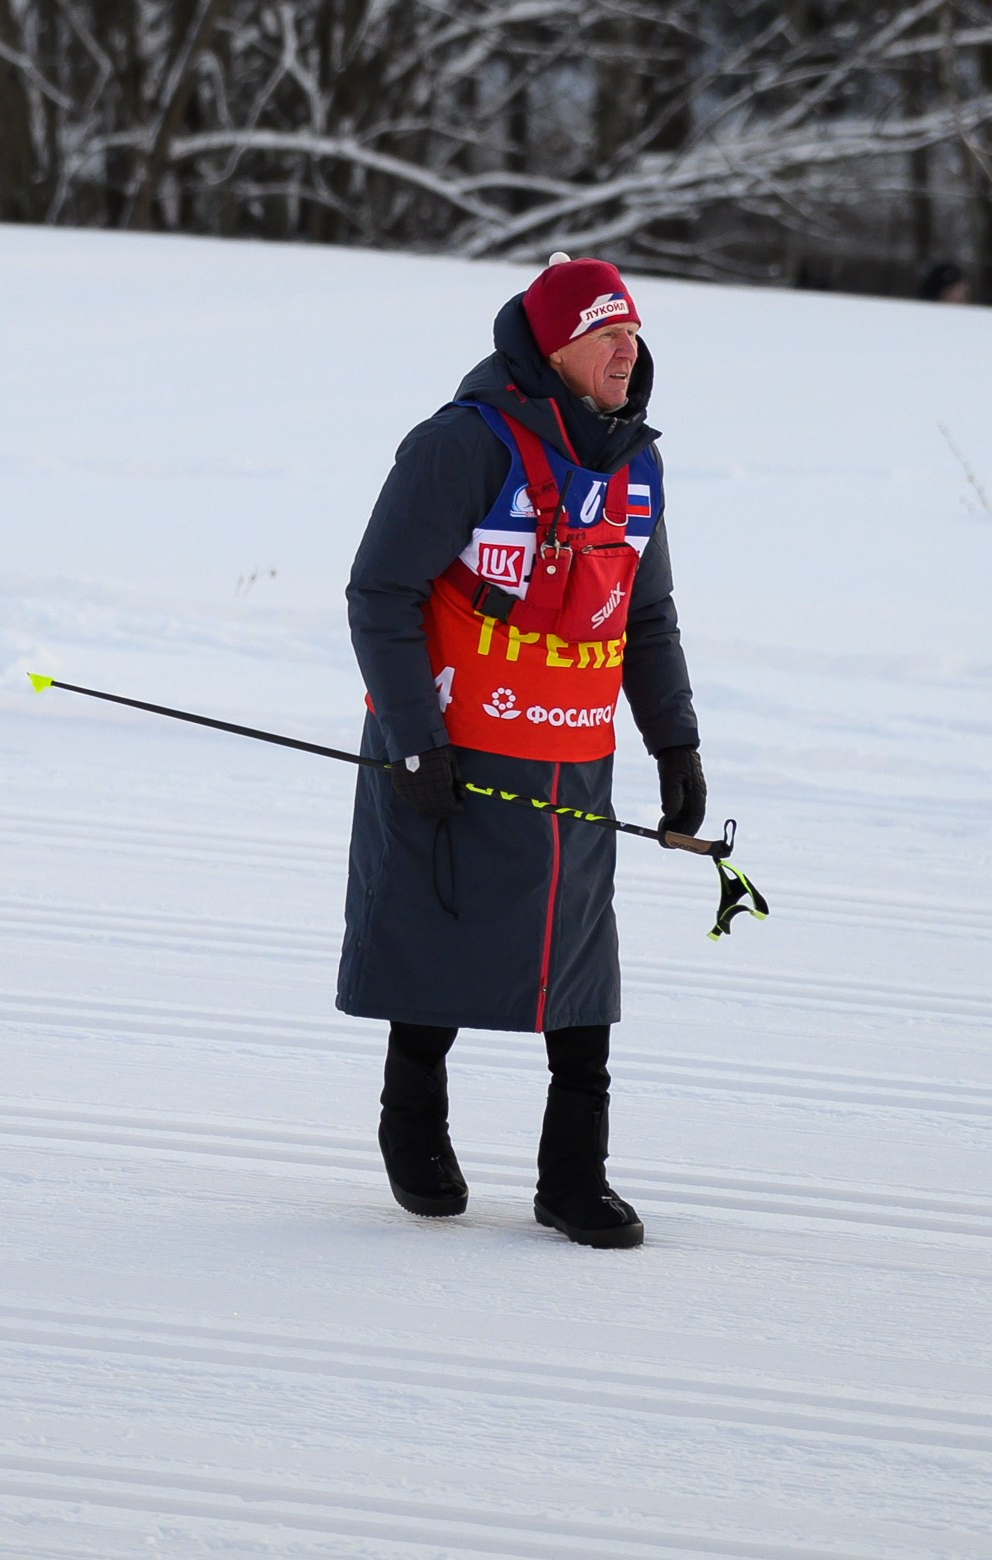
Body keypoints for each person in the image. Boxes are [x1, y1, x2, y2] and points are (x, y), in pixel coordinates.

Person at [337, 252, 702, 1250]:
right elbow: (380, 593)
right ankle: (411, 1126)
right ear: (551, 348)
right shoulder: (461, 445)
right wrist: (414, 739)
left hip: (570, 755)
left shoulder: (635, 462)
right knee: (434, 934)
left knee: (577, 965)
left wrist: (674, 745)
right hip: (452, 746)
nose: (624, 349)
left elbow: (647, 615)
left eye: (630, 332)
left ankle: (570, 1176)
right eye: (603, 333)